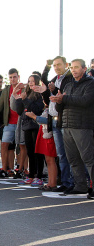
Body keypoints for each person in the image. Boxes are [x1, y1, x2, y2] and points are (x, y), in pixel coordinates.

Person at [51, 59, 94, 198]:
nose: (74, 70)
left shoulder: (90, 83)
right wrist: (58, 101)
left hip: (83, 126)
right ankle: (80, 186)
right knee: (73, 159)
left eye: (77, 67)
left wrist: (64, 99)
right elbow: (61, 105)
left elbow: (85, 101)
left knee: (88, 158)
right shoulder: (68, 84)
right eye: (72, 67)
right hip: (67, 125)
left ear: (84, 68)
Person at [39, 56, 74, 193]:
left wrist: (54, 90)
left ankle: (73, 182)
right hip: (54, 120)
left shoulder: (70, 78)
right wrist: (46, 68)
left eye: (59, 65)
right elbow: (46, 85)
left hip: (65, 119)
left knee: (70, 154)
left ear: (66, 65)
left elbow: (63, 96)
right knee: (61, 154)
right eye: (54, 65)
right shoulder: (56, 79)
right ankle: (65, 182)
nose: (56, 67)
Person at [12, 75, 45, 186]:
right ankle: (31, 175)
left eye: (33, 81)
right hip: (26, 125)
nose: (31, 83)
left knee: (38, 152)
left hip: (36, 125)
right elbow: (20, 111)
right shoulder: (27, 93)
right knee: (30, 152)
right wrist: (17, 98)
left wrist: (25, 99)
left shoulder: (40, 95)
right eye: (29, 81)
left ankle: (39, 176)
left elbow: (36, 109)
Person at [25, 109, 58, 190]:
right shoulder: (48, 107)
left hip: (49, 132)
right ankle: (50, 182)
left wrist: (35, 117)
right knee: (48, 159)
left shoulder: (53, 105)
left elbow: (51, 120)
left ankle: (53, 183)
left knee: (50, 158)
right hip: (44, 130)